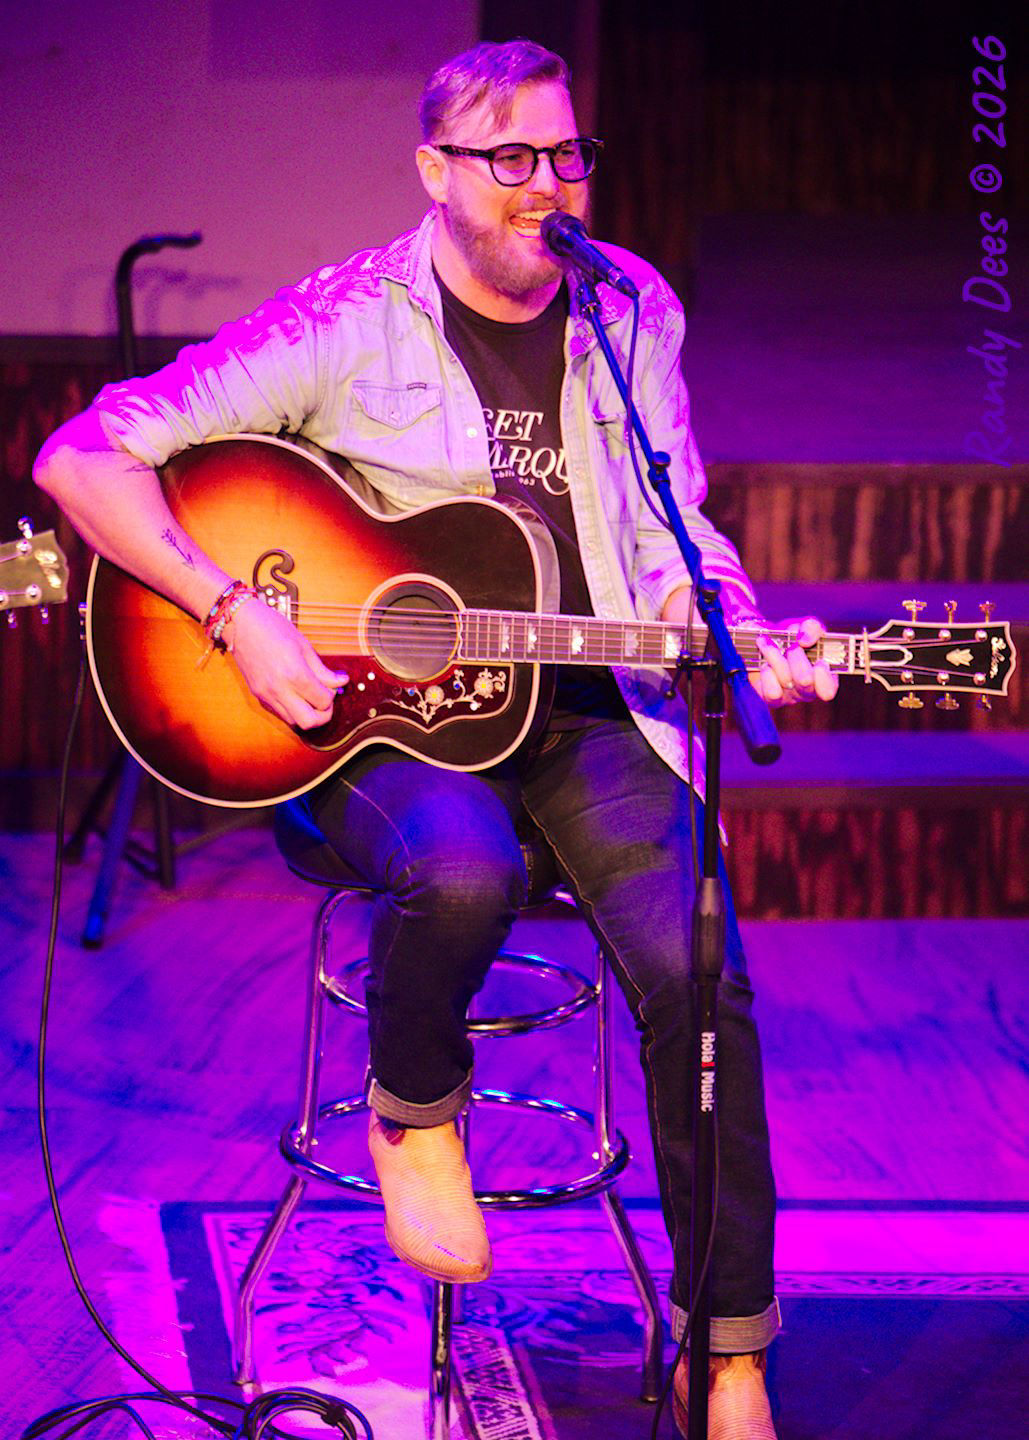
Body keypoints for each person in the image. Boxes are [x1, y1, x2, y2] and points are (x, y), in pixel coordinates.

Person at [35, 39, 838, 1439]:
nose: (548, 186)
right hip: (366, 732)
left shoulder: (629, 305)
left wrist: (730, 620)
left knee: (697, 966)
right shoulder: (346, 317)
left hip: (582, 710)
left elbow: (669, 526)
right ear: (437, 171)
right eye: (511, 159)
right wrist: (238, 613)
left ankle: (728, 1354)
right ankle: (413, 1107)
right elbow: (83, 456)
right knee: (457, 870)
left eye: (567, 154)